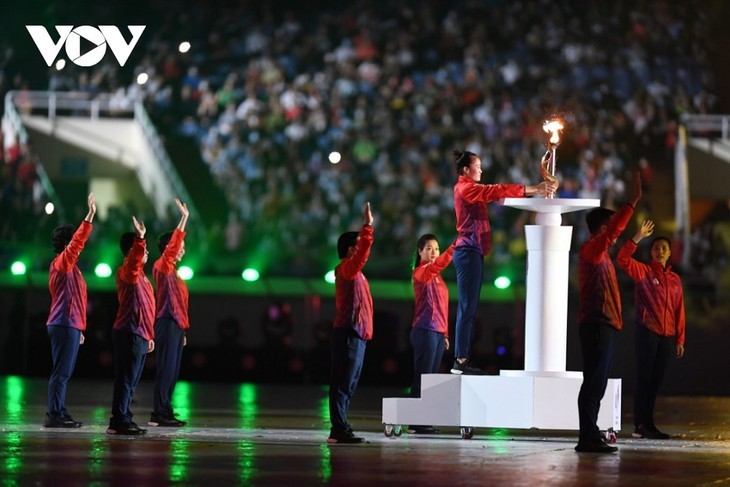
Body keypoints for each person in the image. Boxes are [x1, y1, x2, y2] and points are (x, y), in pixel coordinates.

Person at [450, 150, 557, 375]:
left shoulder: (470, 188)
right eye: (477, 166)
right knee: (467, 307)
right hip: (467, 251)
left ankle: (462, 359)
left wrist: (533, 191)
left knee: (469, 307)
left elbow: (495, 193)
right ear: (466, 170)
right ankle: (460, 361)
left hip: (472, 251)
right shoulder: (465, 187)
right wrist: (534, 189)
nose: (481, 169)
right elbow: (494, 190)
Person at [575, 173, 642, 454]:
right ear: (602, 228)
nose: (614, 234)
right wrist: (631, 203)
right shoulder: (592, 250)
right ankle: (587, 436)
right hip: (597, 325)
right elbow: (614, 232)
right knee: (593, 382)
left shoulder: (600, 256)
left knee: (597, 382)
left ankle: (590, 434)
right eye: (610, 228)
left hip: (605, 325)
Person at [617, 220, 686, 440]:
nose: (660, 251)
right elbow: (622, 259)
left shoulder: (675, 280)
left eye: (664, 248)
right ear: (651, 252)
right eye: (656, 248)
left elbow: (679, 310)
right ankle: (640, 425)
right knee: (644, 379)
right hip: (647, 331)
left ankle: (649, 423)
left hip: (667, 336)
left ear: (669, 252)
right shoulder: (644, 272)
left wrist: (679, 339)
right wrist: (638, 236)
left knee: (655, 381)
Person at [43, 193, 96, 428]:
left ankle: (60, 411)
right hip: (63, 323)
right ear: (67, 243)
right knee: (61, 372)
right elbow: (76, 246)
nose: (77, 242)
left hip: (70, 324)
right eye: (73, 239)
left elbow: (76, 298)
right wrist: (90, 216)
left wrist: (79, 327)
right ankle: (54, 414)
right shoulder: (62, 263)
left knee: (64, 371)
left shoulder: (70, 267)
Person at [328, 202, 374, 444]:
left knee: (349, 382)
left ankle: (341, 425)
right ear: (349, 250)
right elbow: (363, 253)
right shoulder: (348, 269)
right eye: (358, 246)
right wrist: (367, 227)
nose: (363, 251)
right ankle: (338, 429)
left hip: (358, 333)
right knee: (343, 382)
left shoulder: (355, 273)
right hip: (348, 332)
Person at [107, 216, 155, 435]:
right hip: (129, 332)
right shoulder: (128, 270)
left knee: (131, 380)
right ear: (132, 250)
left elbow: (145, 308)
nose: (146, 253)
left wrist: (149, 335)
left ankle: (124, 417)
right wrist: (140, 238)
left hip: (140, 334)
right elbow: (136, 260)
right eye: (142, 249)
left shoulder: (142, 277)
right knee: (125, 379)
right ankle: (118, 421)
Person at [149, 199, 189, 428]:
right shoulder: (161, 267)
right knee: (165, 368)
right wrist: (183, 219)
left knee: (173, 371)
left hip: (176, 325)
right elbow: (175, 246)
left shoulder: (175, 274)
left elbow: (181, 305)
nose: (182, 250)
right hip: (165, 322)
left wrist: (183, 329)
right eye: (178, 247)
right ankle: (158, 412)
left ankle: (165, 410)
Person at [408, 234, 454, 434]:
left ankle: (422, 419)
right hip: (424, 329)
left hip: (436, 332)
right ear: (419, 252)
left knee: (430, 378)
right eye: (429, 248)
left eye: (436, 248)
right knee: (422, 377)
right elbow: (436, 266)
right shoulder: (421, 272)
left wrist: (444, 334)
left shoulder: (438, 277)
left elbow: (442, 307)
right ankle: (415, 421)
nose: (434, 252)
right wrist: (453, 248)